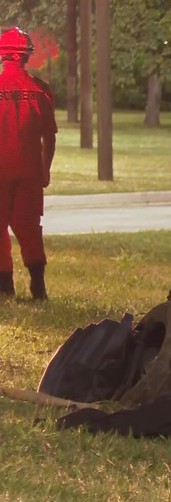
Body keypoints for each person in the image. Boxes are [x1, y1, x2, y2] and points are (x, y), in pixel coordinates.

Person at [0, 27, 56, 300]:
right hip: (30, 173)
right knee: (30, 228)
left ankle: (5, 289)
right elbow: (50, 137)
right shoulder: (41, 91)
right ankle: (38, 288)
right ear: (26, 57)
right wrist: (45, 169)